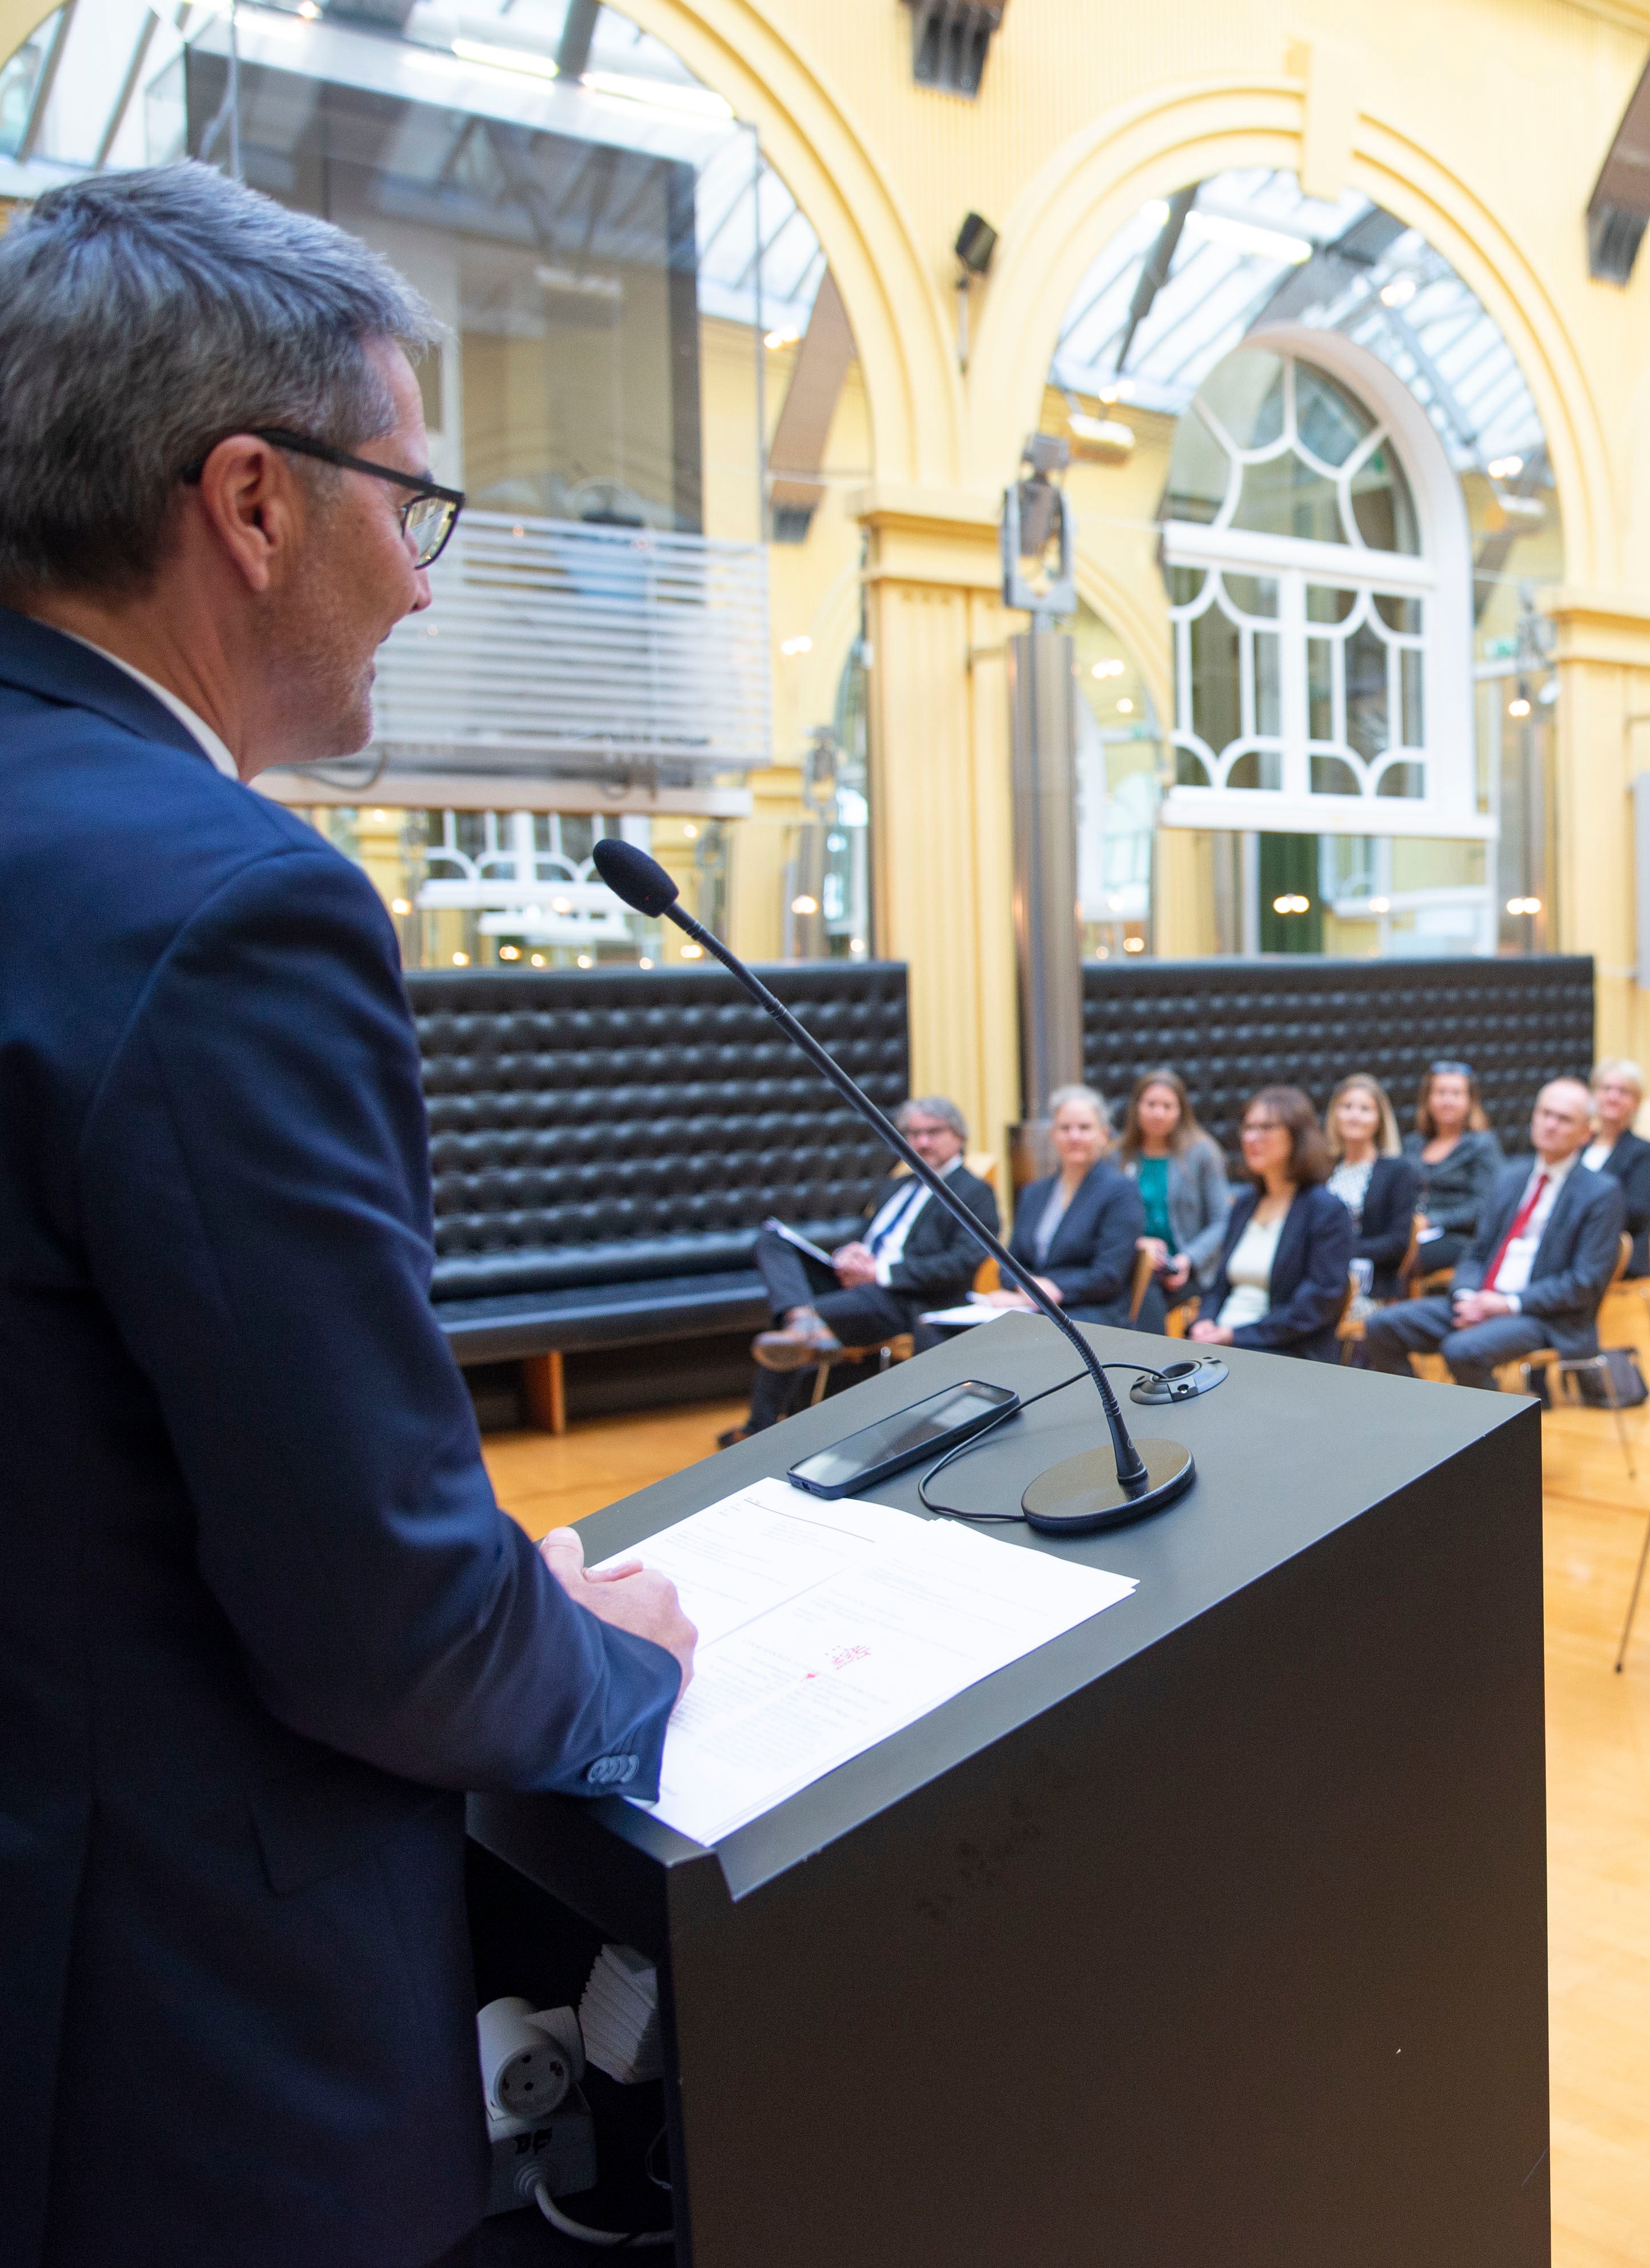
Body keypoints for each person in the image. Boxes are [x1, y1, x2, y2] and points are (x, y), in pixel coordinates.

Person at [0, 163, 695, 2266]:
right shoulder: (227, 906)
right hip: (173, 2075)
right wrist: (603, 1658)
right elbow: (379, 1622)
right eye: (414, 502)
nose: (417, 580)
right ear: (254, 499)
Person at [735, 1095, 1000, 1436]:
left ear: (959, 1137)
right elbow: (866, 1234)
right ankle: (802, 1322)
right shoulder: (896, 1184)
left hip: (904, 1295)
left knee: (797, 1322)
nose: (921, 1142)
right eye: (912, 1133)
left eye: (933, 1132)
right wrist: (850, 1252)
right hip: (859, 1283)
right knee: (772, 1239)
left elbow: (963, 1263)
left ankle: (760, 1424)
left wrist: (881, 1273)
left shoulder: (975, 1192)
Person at [1356, 1079, 1628, 1390]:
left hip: (1543, 1315)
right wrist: (1467, 1296)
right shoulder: (1511, 1178)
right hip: (1480, 1299)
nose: (1550, 1125)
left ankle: (1496, 1433)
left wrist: (1507, 1304)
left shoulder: (1601, 1193)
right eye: (1544, 1114)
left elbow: (1584, 1283)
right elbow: (1477, 1251)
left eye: (1563, 1119)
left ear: (1586, 1134)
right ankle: (1420, 1412)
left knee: (1462, 1350)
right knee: (1381, 1326)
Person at [951, 1085, 1143, 1331]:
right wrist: (1030, 1290)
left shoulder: (1121, 1192)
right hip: (1033, 1306)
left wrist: (1043, 1292)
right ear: (1053, 1134)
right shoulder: (1034, 1193)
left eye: (1085, 1128)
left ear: (1104, 1134)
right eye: (1065, 1128)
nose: (1074, 1136)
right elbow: (1009, 1264)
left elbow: (1108, 1276)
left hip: (1091, 1312)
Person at [1190, 1085, 1356, 1362]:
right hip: (1220, 1344)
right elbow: (1219, 1285)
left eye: (1265, 1127)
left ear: (1297, 1136)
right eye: (1248, 1128)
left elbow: (1315, 1304)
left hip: (1282, 1350)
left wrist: (1234, 1335)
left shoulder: (1326, 1210)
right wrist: (1205, 1320)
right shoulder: (1245, 1204)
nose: (1251, 1137)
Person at [1118, 1067, 1234, 1333]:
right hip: (1131, 1264)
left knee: (1147, 1295)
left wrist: (1187, 1259)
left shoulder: (1203, 1153)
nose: (1159, 1113)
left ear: (1181, 1111)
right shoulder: (1118, 1155)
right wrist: (1138, 1245)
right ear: (1137, 1108)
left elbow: (1223, 1220)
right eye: (1151, 1105)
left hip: (1189, 1269)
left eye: (1168, 1106)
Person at [1325, 1071, 1424, 1300]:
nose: (1354, 1116)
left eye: (1365, 1109)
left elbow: (1398, 1242)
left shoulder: (1398, 1171)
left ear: (1379, 1119)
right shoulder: (1323, 1169)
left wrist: (1339, 1253)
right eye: (1347, 1107)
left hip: (1369, 1286)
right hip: (1321, 1275)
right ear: (1335, 1114)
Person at [1409, 1060, 1505, 1281]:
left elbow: (1484, 1205)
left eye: (1456, 1093)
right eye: (1440, 1093)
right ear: (1428, 1099)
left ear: (1470, 1101)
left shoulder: (1482, 1145)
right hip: (1414, 1233)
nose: (1447, 1100)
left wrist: (1432, 1221)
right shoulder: (1414, 1143)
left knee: (1407, 1258)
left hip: (1460, 1239)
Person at [1583, 1056, 1650, 1279]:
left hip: (1615, 1252)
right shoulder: (1579, 1147)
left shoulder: (1645, 1153)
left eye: (1623, 1091)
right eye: (1606, 1088)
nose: (1613, 1097)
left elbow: (1637, 1213)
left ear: (1636, 1102)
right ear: (1594, 1095)